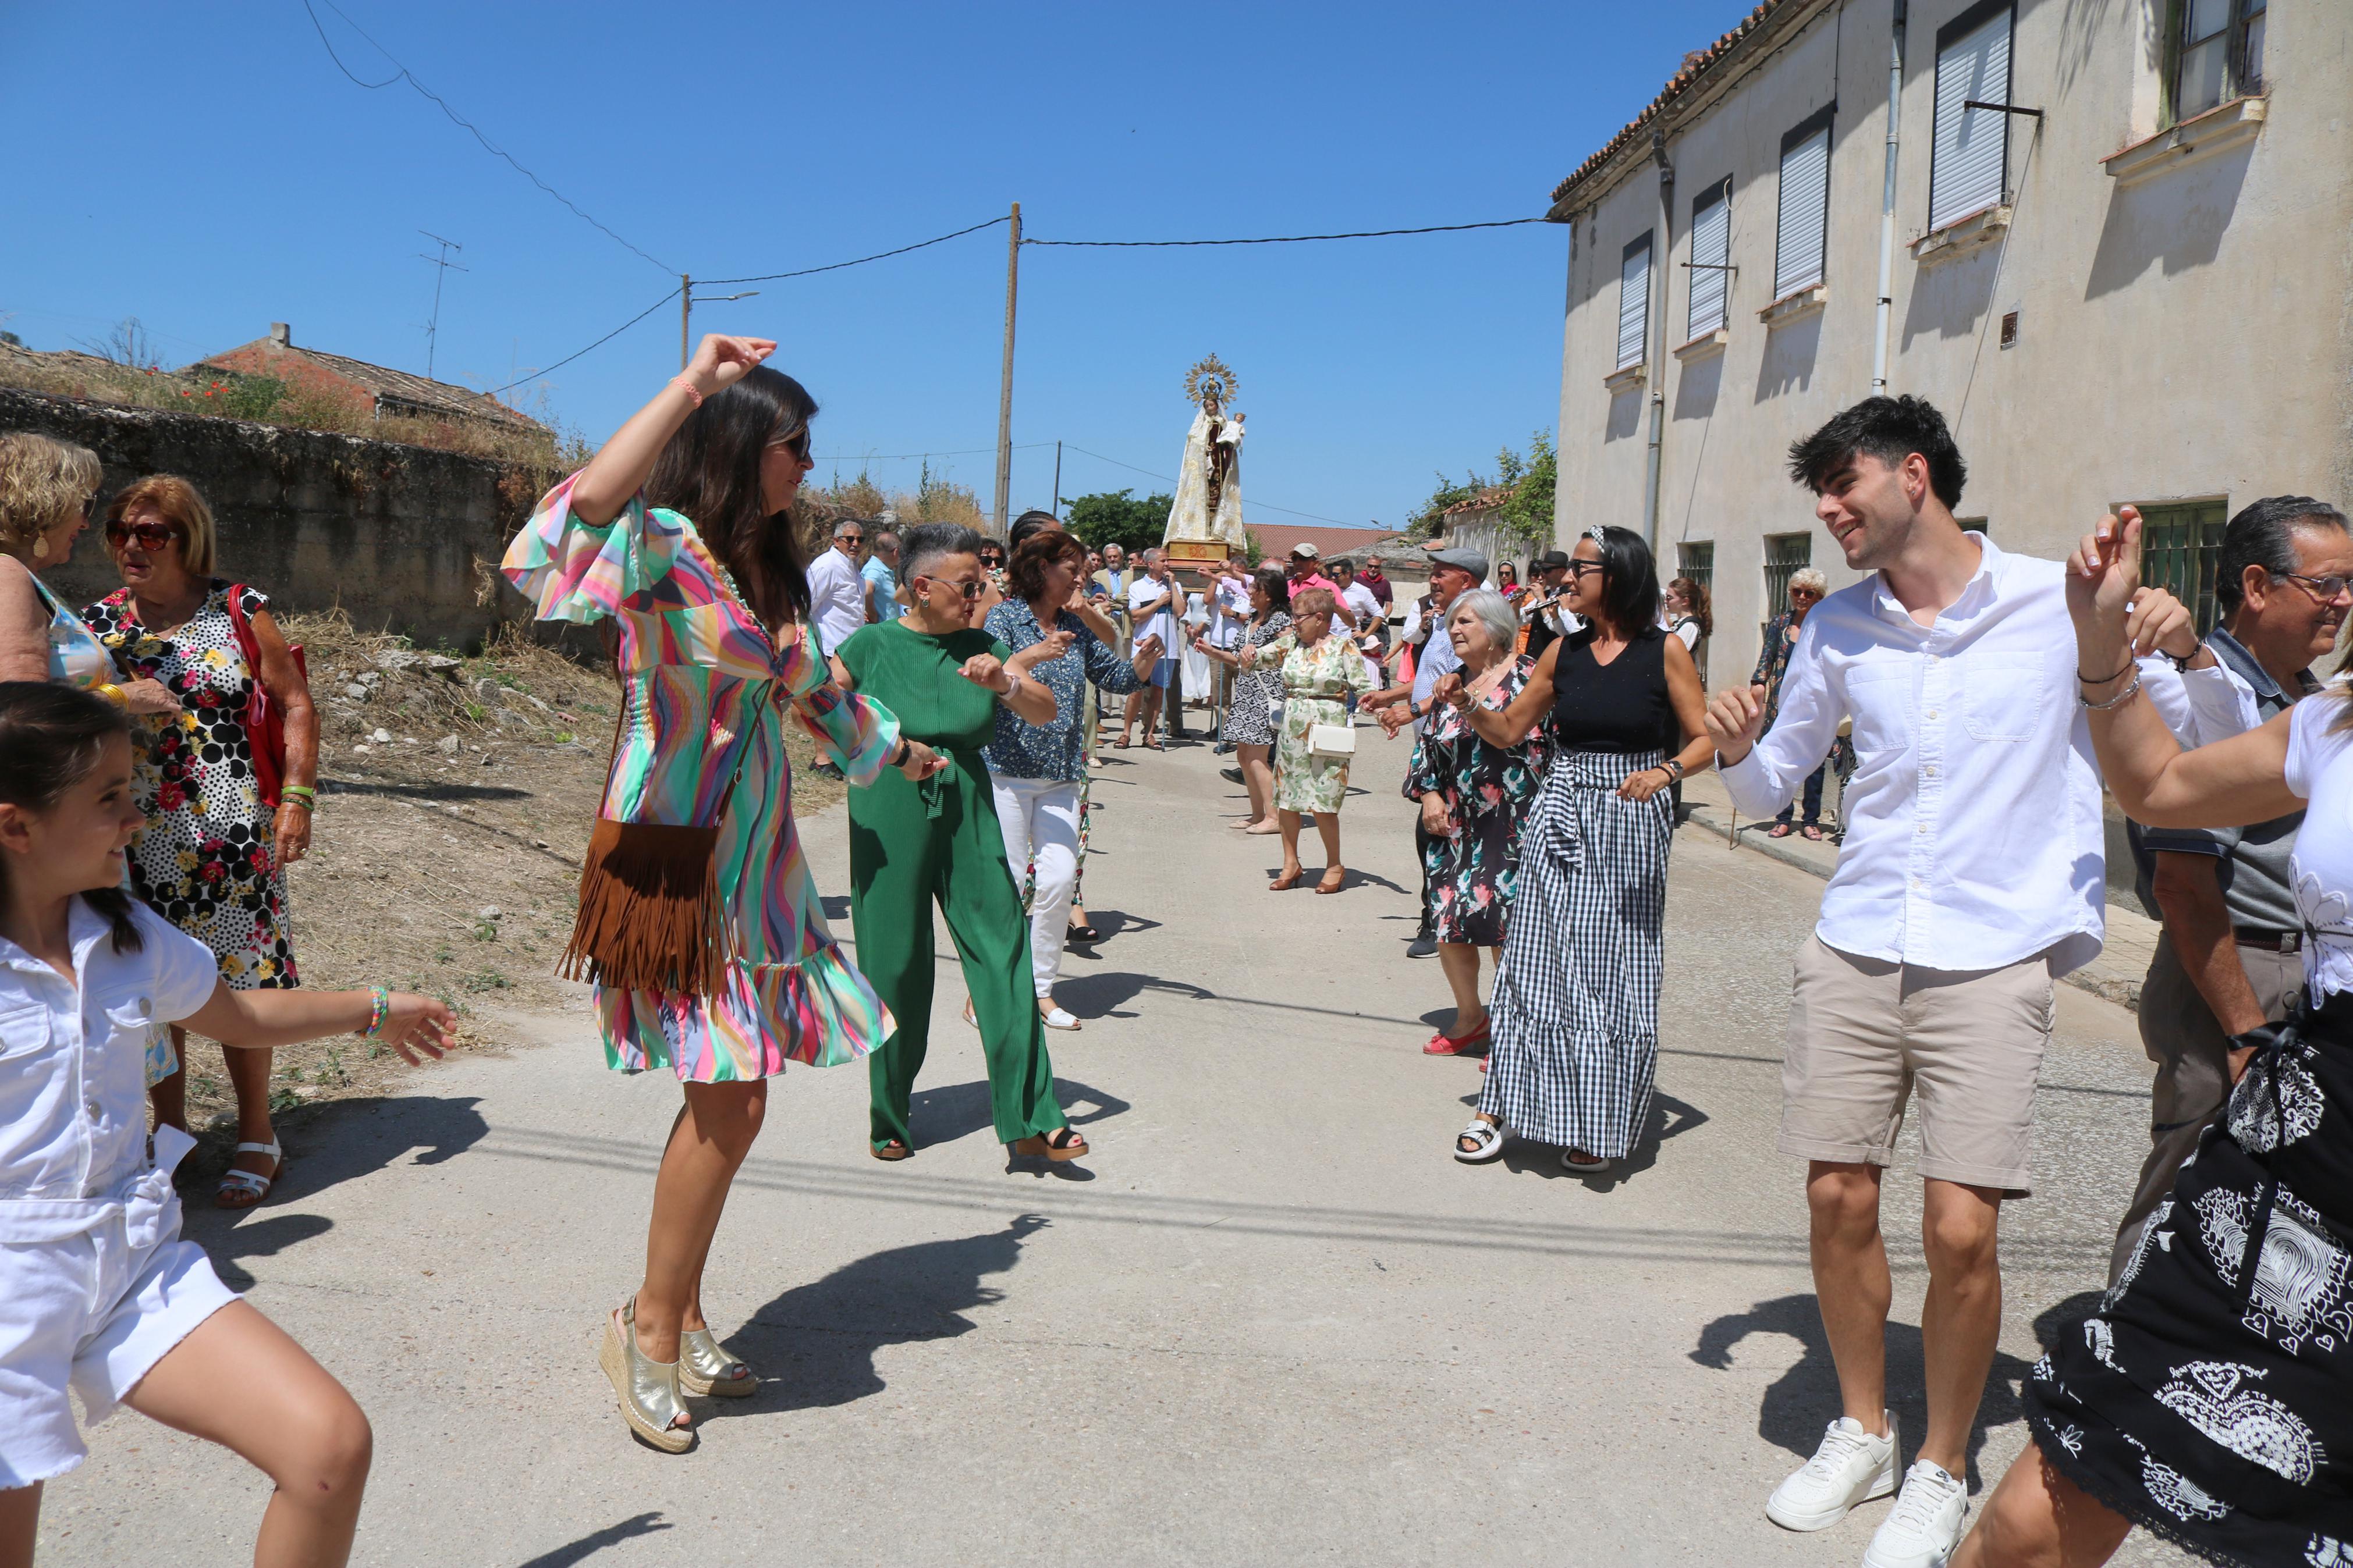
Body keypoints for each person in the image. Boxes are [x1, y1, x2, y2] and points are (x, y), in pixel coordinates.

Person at [1703, 397, 2245, 1567]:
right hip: (1856, 938)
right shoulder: (1838, 626)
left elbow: (2209, 742)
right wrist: (1737, 746)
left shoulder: (2058, 602)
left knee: (1959, 1230)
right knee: (1835, 1198)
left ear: (1913, 475)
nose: (1824, 510)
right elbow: (1769, 786)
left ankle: (1942, 1466)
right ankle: (1862, 1428)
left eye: (1840, 485)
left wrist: (2180, 642)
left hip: (1992, 955)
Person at [503, 335, 939, 1453]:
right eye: (794, 444)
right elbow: (568, 520)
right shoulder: (657, 547)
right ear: (744, 446)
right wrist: (690, 384)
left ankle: (682, 1311)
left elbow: (817, 697)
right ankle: (646, 1329)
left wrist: (899, 750)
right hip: (667, 855)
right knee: (730, 1095)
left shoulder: (767, 572)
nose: (807, 465)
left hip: (757, 862)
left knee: (729, 1103)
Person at [1944, 507, 2353, 1567]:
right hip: (2313, 1123)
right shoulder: (2335, 721)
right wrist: (2099, 631)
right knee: (2090, 1455)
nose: (2344, 601)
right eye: (2330, 581)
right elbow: (2159, 787)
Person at [0, 680, 452, 1567]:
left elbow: (239, 1015)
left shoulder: (126, 929)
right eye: (109, 799)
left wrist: (375, 1006)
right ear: (16, 826)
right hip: (10, 1287)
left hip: (129, 1256)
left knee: (328, 1446)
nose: (138, 816)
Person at [2110, 496, 2352, 1284]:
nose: (2343, 601)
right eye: (2326, 583)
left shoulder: (2309, 700)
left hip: (2301, 982)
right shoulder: (2200, 695)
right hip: (2230, 976)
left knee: (2273, 1215)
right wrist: (2245, 1031)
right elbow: (2182, 884)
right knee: (2185, 1189)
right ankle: (2122, 1365)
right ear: (2256, 585)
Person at [80, 477, 320, 1211]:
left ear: (189, 540)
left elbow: (295, 702)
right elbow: (59, 708)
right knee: (152, 988)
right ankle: (171, 1131)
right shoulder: (96, 624)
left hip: (232, 833)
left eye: (151, 533)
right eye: (121, 530)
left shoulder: (239, 609)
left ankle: (257, 1133)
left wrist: (299, 798)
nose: (131, 544)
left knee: (244, 984)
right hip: (135, 836)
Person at [1446, 526, 1711, 1171]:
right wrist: (1469, 708)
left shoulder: (1665, 650)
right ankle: (1496, 1106)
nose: (1566, 579)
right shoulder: (1560, 651)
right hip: (1562, 808)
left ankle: (1599, 1117)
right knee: (1533, 960)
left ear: (1616, 574)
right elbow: (1509, 730)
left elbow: (1704, 740)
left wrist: (1666, 773)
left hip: (1630, 817)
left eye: (1580, 569)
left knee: (1609, 972)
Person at [835, 523, 1088, 1165]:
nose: (982, 594)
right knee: (895, 962)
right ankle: (889, 1111)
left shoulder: (985, 644)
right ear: (922, 587)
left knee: (1002, 949)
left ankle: (1033, 1112)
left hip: (970, 801)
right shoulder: (870, 645)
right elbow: (820, 706)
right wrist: (872, 740)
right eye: (971, 584)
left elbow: (1042, 709)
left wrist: (1002, 682)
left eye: (985, 582)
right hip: (888, 804)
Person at [984, 527, 1162, 1031]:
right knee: (1010, 886)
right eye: (1072, 568)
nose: (1080, 577)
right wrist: (1032, 655)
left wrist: (1142, 664)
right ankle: (992, 990)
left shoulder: (1075, 625)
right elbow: (989, 675)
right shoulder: (1005, 618)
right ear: (1042, 569)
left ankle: (1041, 991)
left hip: (1062, 774)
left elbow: (1118, 678)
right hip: (1006, 771)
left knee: (1060, 881)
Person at [1403, 590, 1552, 1057]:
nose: (1455, 630)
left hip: (1516, 822)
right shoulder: (1451, 685)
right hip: (1457, 824)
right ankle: (1470, 1017)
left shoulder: (1532, 678)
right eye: (1451, 624)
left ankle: (1512, 1033)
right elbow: (1426, 748)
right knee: (1451, 920)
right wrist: (1427, 793)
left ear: (1496, 627)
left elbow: (1552, 749)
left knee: (1505, 926)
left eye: (1466, 621)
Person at [0, 433, 177, 716]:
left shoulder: (18, 576)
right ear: (48, 506)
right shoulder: (6, 575)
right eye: (84, 506)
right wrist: (123, 698)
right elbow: (22, 713)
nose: (85, 524)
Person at [1368, 547, 1488, 960]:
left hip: (1462, 746)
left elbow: (1468, 684)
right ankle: (1442, 916)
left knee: (1439, 834)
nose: (1432, 580)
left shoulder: (1477, 621)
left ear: (1466, 581)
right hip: (1432, 745)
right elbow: (1430, 679)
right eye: (1433, 574)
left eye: (1442, 574)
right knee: (1434, 833)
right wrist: (1393, 694)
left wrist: (1414, 710)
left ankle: (1441, 920)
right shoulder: (1442, 618)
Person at [1235, 586, 1374, 894]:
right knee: (1288, 799)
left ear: (1320, 618)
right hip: (1293, 730)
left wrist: (1385, 712)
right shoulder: (1291, 644)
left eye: (1298, 617)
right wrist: (1249, 654)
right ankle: (1291, 863)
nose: (1294, 623)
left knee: (1325, 800)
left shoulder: (1344, 647)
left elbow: (1363, 687)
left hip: (1330, 730)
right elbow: (1257, 659)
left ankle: (1334, 865)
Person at [1195, 564, 1293, 833]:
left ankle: (1275, 818)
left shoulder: (1282, 622)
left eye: (1255, 588)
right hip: (1247, 693)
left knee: (1258, 757)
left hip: (1266, 694)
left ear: (1269, 595)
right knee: (1243, 756)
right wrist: (1211, 651)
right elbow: (1240, 659)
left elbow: (1288, 653)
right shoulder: (1252, 620)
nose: (1249, 592)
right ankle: (1258, 814)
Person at [1754, 567, 1830, 840]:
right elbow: (1766, 659)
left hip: (1814, 703)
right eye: (1797, 591)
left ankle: (1810, 820)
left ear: (1819, 597)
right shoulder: (1780, 624)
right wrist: (1758, 688)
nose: (1802, 597)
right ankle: (1783, 818)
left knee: (1815, 762)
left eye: (1810, 593)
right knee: (1782, 758)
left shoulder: (1825, 626)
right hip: (1781, 703)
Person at [1660, 575, 1714, 823]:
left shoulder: (1691, 625)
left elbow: (1675, 652)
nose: (1667, 601)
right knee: (1665, 748)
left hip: (1677, 698)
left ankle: (1672, 806)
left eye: (1670, 598)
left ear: (1685, 601)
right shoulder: (1680, 623)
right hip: (1668, 696)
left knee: (1671, 749)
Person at [1120, 547, 1182, 749]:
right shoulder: (1137, 587)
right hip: (1143, 647)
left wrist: (1172, 585)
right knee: (1136, 691)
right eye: (1163, 561)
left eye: (1168, 561)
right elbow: (1137, 616)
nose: (1167, 564)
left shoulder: (1175, 586)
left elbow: (1180, 611)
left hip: (1168, 647)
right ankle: (1126, 733)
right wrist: (1159, 602)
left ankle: (1149, 734)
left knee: (1158, 692)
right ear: (1150, 564)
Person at [805, 517, 872, 668]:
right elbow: (805, 607)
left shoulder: (853, 565)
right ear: (836, 541)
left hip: (851, 649)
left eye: (860, 540)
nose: (855, 544)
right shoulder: (826, 566)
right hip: (829, 652)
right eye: (850, 539)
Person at [1521, 550, 1575, 663]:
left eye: (1547, 570)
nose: (1543, 574)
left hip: (1553, 661)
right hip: (1532, 658)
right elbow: (1520, 621)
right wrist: (1517, 604)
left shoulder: (1569, 596)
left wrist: (1541, 598)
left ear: (1561, 571)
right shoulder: (1544, 594)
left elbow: (1555, 627)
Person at [863, 527, 904, 624]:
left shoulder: (881, 569)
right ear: (896, 552)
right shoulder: (875, 571)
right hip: (882, 633)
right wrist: (873, 616)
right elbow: (867, 590)